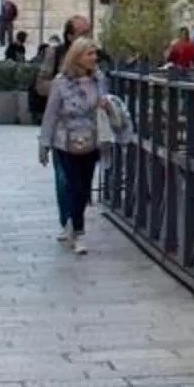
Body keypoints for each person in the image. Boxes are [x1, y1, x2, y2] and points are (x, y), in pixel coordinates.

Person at [39, 37, 116, 254]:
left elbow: (105, 105)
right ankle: (79, 232)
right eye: (89, 54)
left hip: (91, 140)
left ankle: (74, 221)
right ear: (78, 57)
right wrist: (44, 144)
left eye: (95, 54)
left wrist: (106, 106)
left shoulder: (99, 80)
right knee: (74, 185)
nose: (94, 58)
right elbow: (51, 114)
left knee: (84, 187)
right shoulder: (61, 82)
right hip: (66, 141)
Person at [32, 16, 89, 119]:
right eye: (82, 34)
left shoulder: (94, 55)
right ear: (70, 36)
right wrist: (66, 85)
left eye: (88, 33)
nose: (87, 37)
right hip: (62, 117)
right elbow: (41, 85)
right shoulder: (55, 54)